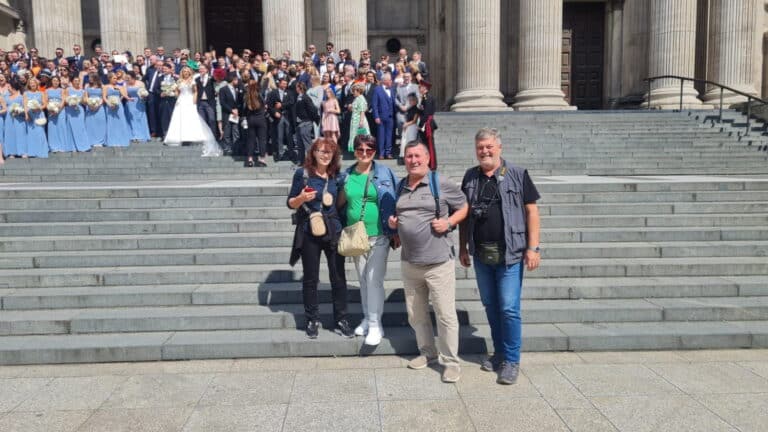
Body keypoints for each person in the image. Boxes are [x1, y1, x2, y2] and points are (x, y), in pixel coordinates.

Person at [459, 128, 541, 385]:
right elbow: (464, 216)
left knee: (508, 308)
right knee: (491, 306)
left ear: (499, 147)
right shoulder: (471, 177)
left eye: (489, 146)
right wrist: (462, 247)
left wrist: (533, 248)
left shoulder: (517, 174)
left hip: (511, 253)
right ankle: (500, 352)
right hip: (482, 254)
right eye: (480, 147)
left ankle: (512, 361)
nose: (484, 151)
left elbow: (532, 212)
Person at [387, 140, 469, 383]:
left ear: (427, 158)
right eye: (409, 156)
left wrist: (449, 222)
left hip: (438, 262)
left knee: (445, 314)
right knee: (416, 314)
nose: (413, 160)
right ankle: (428, 353)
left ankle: (451, 362)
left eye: (417, 156)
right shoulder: (401, 184)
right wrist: (395, 224)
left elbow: (464, 207)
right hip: (410, 262)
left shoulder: (439, 182)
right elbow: (402, 214)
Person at [287, 138, 353, 339]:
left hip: (333, 230)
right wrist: (301, 199)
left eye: (329, 152)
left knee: (338, 277)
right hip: (309, 230)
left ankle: (341, 319)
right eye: (321, 151)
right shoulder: (303, 174)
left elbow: (340, 203)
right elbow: (290, 202)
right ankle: (312, 319)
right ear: (313, 153)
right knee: (310, 278)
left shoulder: (337, 177)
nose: (325, 155)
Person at [338, 135, 398, 346]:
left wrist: (397, 225)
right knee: (363, 279)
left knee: (374, 279)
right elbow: (339, 203)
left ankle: (375, 324)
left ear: (375, 151)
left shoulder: (385, 172)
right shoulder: (346, 175)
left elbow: (397, 197)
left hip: (379, 235)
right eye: (360, 149)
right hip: (356, 236)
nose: (364, 153)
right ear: (354, 151)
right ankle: (366, 317)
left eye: (369, 149)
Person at [164, 66, 222, 157]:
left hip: (189, 100)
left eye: (187, 71)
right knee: (179, 119)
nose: (185, 73)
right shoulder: (179, 81)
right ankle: (179, 137)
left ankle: (191, 136)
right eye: (184, 71)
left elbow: (195, 92)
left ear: (189, 72)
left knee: (191, 118)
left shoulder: (193, 80)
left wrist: (194, 102)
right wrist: (173, 92)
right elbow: (177, 92)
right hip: (181, 100)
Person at [293, 82, 320, 165]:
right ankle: (301, 161)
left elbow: (313, 109)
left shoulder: (305, 97)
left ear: (299, 88)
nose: (295, 89)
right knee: (300, 144)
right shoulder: (298, 97)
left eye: (297, 87)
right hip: (299, 124)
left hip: (306, 122)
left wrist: (315, 119)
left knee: (307, 143)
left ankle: (312, 162)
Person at [371, 72, 397, 159]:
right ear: (385, 81)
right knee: (381, 135)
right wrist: (376, 116)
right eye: (390, 80)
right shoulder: (377, 89)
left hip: (390, 117)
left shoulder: (392, 89)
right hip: (381, 117)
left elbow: (394, 103)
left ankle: (388, 153)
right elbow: (374, 104)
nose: (391, 81)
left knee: (389, 135)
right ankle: (381, 153)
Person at [45, 76, 74, 152]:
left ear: (59, 82)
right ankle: (53, 146)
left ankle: (62, 146)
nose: (55, 82)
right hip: (51, 111)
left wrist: (58, 109)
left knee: (61, 127)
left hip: (60, 111)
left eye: (57, 81)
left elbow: (63, 101)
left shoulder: (62, 90)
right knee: (52, 128)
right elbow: (46, 101)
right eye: (54, 80)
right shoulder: (47, 90)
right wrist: (50, 109)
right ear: (51, 81)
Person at [103, 72, 132, 147]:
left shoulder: (119, 87)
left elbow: (124, 95)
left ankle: (121, 139)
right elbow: (104, 97)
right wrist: (109, 104)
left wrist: (128, 98)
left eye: (116, 78)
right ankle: (111, 139)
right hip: (110, 106)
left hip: (118, 106)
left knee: (120, 121)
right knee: (111, 122)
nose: (115, 80)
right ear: (109, 79)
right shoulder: (106, 87)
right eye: (114, 78)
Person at [243, 81, 268, 167]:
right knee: (262, 140)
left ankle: (250, 159)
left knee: (251, 140)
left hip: (251, 119)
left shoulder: (247, 96)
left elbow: (244, 109)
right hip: (260, 119)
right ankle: (262, 159)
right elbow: (264, 106)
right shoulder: (259, 95)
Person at [23, 78, 49, 158]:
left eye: (34, 82)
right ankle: (32, 152)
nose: (32, 84)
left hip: (39, 114)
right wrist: (26, 115)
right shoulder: (26, 93)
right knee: (31, 133)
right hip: (30, 115)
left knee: (40, 132)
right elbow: (25, 105)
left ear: (36, 84)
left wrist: (38, 108)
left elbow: (45, 104)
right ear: (29, 85)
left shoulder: (41, 93)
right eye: (31, 83)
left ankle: (41, 150)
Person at [64, 76, 90, 152]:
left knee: (80, 127)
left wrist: (82, 100)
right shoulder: (68, 89)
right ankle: (71, 146)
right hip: (70, 109)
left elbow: (85, 102)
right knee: (70, 127)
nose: (77, 82)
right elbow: (65, 100)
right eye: (75, 80)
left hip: (79, 110)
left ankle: (83, 145)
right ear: (72, 82)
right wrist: (70, 102)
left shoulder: (83, 91)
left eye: (78, 81)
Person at [124, 71, 151, 142]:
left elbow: (144, 92)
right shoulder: (126, 84)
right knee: (132, 119)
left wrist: (143, 95)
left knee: (140, 118)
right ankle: (133, 135)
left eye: (129, 78)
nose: (127, 79)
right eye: (126, 78)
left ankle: (141, 135)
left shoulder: (140, 83)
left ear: (133, 77)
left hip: (139, 102)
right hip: (130, 102)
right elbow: (125, 94)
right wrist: (128, 98)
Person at [417, 81, 437, 170]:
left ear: (425, 89)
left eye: (420, 87)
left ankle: (432, 164)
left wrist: (420, 124)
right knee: (426, 144)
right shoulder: (424, 98)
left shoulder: (428, 98)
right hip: (425, 123)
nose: (419, 89)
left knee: (430, 145)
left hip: (427, 124)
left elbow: (427, 113)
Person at [84, 73, 106, 147]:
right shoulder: (87, 85)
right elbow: (86, 96)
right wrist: (89, 104)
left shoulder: (102, 86)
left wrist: (98, 105)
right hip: (89, 107)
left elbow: (103, 97)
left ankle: (100, 141)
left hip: (99, 107)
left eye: (90, 77)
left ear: (95, 78)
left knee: (100, 123)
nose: (89, 79)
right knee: (90, 124)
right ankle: (91, 140)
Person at [4, 82, 25, 158]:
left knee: (20, 134)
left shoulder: (21, 97)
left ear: (13, 87)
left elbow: (25, 107)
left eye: (9, 87)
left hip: (19, 118)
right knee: (10, 134)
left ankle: (22, 151)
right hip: (9, 118)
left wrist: (19, 111)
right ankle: (11, 152)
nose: (7, 88)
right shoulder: (6, 97)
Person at [347, 84, 369, 153]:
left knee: (361, 136)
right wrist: (350, 107)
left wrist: (361, 121)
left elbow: (362, 111)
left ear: (358, 91)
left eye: (354, 91)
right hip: (355, 119)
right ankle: (358, 150)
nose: (353, 92)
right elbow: (355, 109)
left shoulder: (361, 98)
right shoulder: (356, 98)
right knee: (356, 135)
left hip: (359, 120)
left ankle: (363, 150)